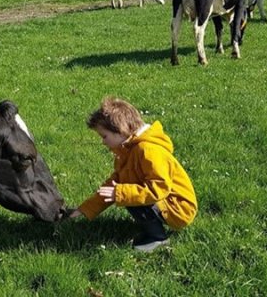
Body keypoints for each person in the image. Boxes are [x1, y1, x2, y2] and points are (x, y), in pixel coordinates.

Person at [68, 97, 197, 252]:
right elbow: (114, 184)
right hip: (165, 202)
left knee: (125, 193)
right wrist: (84, 210)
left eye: (104, 136)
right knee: (123, 191)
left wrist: (121, 193)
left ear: (121, 130)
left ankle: (158, 239)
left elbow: (159, 188)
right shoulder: (128, 150)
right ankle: (152, 228)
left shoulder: (148, 150)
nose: (103, 142)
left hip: (178, 207)